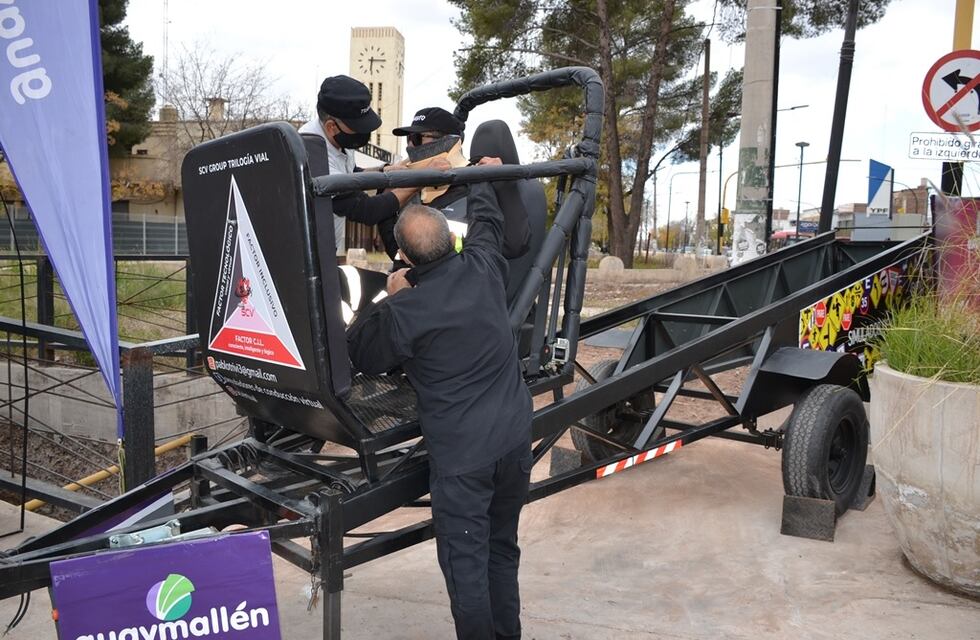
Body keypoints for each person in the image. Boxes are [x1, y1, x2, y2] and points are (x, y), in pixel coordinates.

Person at [347, 184, 533, 640]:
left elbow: (360, 353)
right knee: (502, 550)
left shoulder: (405, 311)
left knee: (466, 569)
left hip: (463, 460)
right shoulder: (485, 266)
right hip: (514, 440)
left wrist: (392, 295)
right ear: (453, 240)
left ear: (404, 259)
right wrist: (484, 177)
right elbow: (489, 225)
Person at [298, 75, 416, 260]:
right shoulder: (313, 157)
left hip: (327, 249)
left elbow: (352, 174)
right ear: (331, 126)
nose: (364, 133)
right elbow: (365, 209)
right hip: (308, 258)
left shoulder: (337, 140)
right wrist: (417, 181)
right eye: (357, 127)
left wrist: (384, 171)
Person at [393, 107, 530, 260]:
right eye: (408, 139)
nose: (410, 147)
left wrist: (501, 182)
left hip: (461, 277)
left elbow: (513, 245)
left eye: (417, 138)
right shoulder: (414, 192)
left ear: (446, 141)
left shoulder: (478, 190)